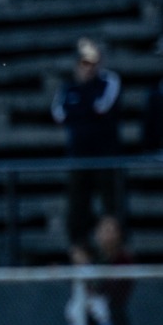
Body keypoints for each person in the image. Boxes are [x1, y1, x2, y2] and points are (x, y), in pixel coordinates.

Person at [52, 40, 123, 239]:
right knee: (78, 205)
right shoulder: (67, 87)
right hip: (78, 156)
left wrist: (79, 108)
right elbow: (59, 114)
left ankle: (115, 249)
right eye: (84, 63)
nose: (88, 69)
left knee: (110, 205)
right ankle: (79, 249)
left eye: (92, 63)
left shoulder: (109, 81)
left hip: (105, 155)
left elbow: (101, 108)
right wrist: (85, 108)